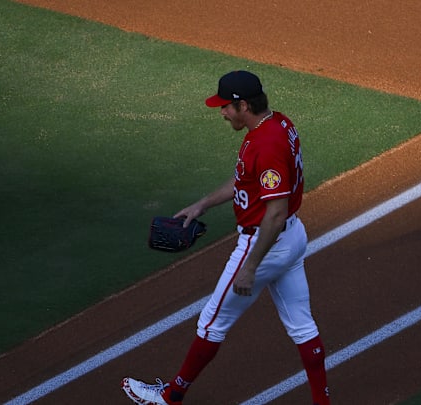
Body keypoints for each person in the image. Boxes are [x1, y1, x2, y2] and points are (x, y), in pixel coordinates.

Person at [122, 70, 330, 405]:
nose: (221, 112)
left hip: (266, 242)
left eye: (225, 107)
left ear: (243, 105)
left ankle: (171, 396)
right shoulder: (276, 124)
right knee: (302, 326)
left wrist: (250, 267)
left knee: (211, 324)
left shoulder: (266, 143)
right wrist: (203, 204)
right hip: (291, 239)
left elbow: (274, 212)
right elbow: (245, 181)